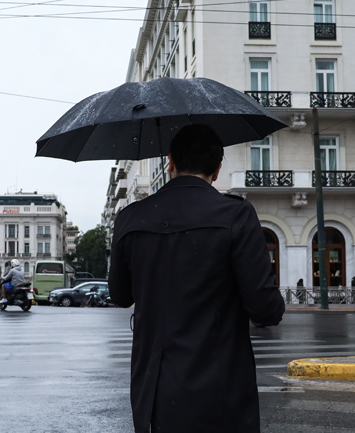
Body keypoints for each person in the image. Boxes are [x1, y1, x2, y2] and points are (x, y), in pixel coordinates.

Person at [109, 124, 285, 433]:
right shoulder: (236, 215)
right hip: (221, 389)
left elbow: (121, 295)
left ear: (171, 162)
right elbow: (266, 309)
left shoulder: (131, 218)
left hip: (155, 389)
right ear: (217, 170)